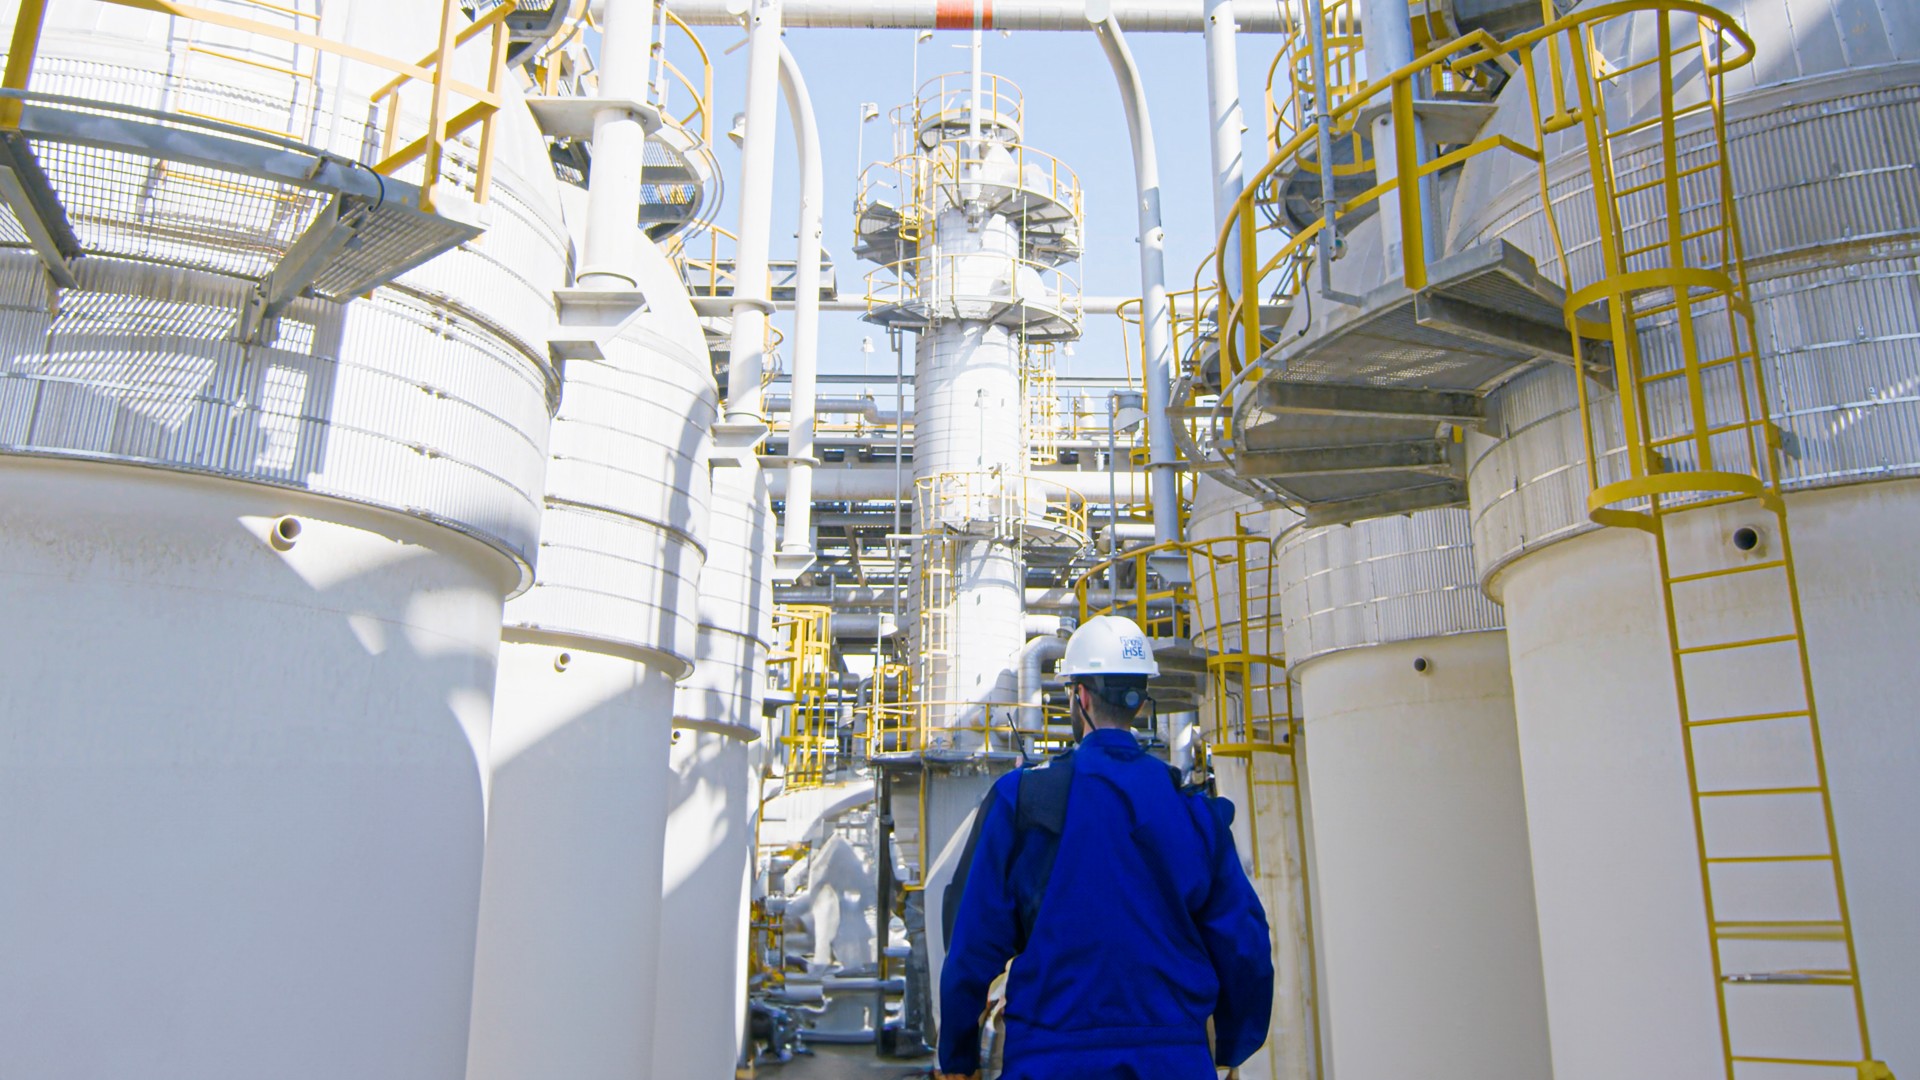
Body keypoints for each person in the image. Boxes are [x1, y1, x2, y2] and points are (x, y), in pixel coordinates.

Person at [938, 615, 1274, 1080]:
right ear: (1140, 701)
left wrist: (957, 1055)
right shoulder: (1196, 813)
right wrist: (1232, 1043)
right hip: (1173, 1061)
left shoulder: (1024, 800)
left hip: (1052, 1060)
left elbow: (972, 940)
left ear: (1080, 697)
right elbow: (1245, 944)